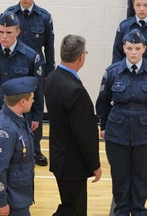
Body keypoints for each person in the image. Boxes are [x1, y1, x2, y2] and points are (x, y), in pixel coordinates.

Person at [96, 29, 147, 216]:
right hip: (117, 132)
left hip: (146, 132)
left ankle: (138, 210)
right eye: (130, 48)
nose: (133, 52)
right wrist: (104, 126)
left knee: (143, 177)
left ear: (144, 49)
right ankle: (120, 210)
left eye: (137, 48)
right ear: (124, 49)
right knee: (120, 176)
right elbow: (102, 102)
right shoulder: (112, 72)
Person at [45, 34, 102, 216]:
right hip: (73, 164)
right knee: (74, 210)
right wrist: (95, 164)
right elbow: (84, 133)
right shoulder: (75, 90)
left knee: (69, 205)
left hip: (59, 157)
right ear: (81, 57)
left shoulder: (52, 78)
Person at [0, 11, 43, 134]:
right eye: (1, 32)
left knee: (21, 148)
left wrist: (37, 115)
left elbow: (37, 88)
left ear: (18, 32)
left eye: (9, 32)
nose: (4, 36)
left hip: (20, 111)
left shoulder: (30, 56)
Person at [6, 0, 55, 166]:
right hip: (15, 66)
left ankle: (35, 148)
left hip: (36, 68)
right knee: (15, 104)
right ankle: (15, 145)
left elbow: (49, 45)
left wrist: (49, 70)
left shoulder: (44, 17)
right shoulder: (10, 14)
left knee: (35, 105)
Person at [0, 76, 38, 216]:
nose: (33, 100)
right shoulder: (5, 131)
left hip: (19, 194)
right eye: (31, 97)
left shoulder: (18, 118)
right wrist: (1, 202)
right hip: (11, 198)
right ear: (22, 102)